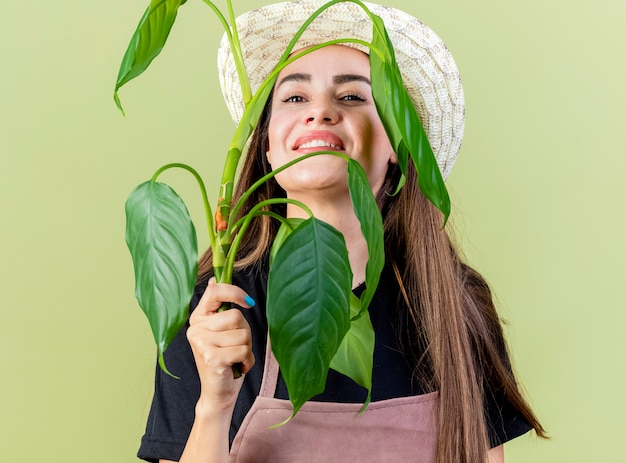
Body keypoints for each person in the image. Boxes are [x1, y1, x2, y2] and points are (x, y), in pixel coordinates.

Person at [137, 1, 546, 462]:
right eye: (294, 98)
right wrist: (214, 404)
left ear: (396, 144)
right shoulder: (215, 308)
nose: (320, 112)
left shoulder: (454, 303)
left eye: (351, 97)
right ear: (267, 146)